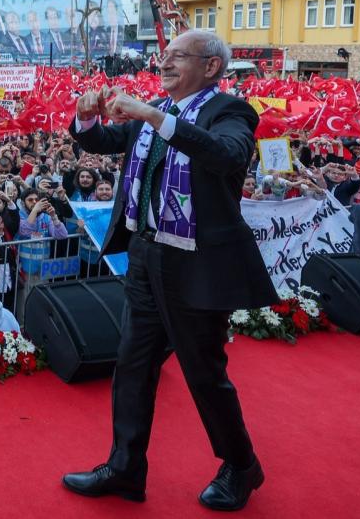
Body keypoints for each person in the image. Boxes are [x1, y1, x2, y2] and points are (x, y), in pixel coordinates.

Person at [62, 29, 276, 511]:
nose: (164, 63)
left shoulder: (230, 112)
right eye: (164, 56)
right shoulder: (155, 110)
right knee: (132, 366)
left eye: (178, 57)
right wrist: (85, 115)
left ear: (211, 67)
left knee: (203, 373)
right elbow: (107, 139)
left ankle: (242, 465)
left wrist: (155, 116)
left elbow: (227, 156)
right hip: (145, 253)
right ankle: (124, 468)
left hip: (195, 263)